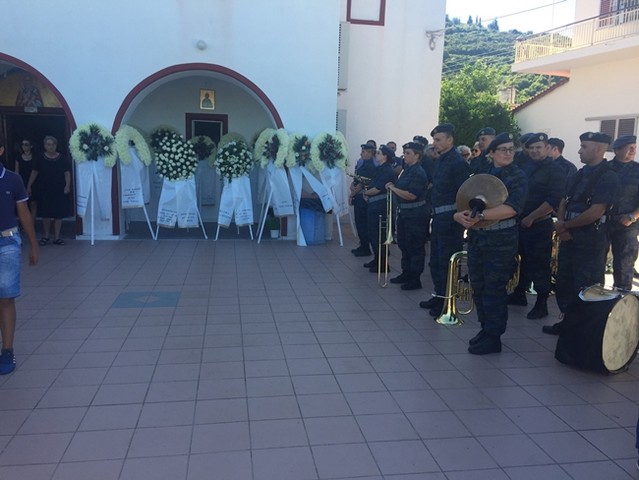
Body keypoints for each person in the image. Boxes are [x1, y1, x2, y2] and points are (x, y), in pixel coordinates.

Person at [454, 132, 528, 354]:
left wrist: (480, 216)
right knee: (478, 286)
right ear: (492, 153)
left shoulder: (517, 176)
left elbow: (512, 208)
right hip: (479, 237)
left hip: (501, 239)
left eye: (511, 149)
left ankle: (494, 337)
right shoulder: (483, 173)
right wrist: (458, 215)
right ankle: (485, 329)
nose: (508, 153)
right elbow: (465, 199)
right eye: (503, 149)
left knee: (494, 289)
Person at [543, 132, 619, 335]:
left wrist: (566, 226)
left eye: (584, 147)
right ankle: (568, 323)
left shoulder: (608, 176)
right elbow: (563, 201)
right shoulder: (579, 174)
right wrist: (562, 226)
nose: (579, 151)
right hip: (569, 237)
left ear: (599, 149)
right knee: (564, 282)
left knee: (587, 285)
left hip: (591, 240)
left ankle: (583, 331)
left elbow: (596, 211)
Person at [508, 133, 565, 319]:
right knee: (522, 261)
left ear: (547, 148)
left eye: (538, 147)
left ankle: (541, 304)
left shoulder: (555, 170)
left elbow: (553, 200)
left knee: (539, 265)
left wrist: (531, 217)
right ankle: (519, 294)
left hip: (539, 224)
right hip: (520, 222)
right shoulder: (524, 165)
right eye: (531, 148)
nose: (534, 151)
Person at [420, 123, 470, 315]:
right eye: (434, 139)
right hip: (439, 217)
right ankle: (439, 295)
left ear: (450, 140)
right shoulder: (441, 160)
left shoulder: (458, 163)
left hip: (451, 219)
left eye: (438, 139)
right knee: (436, 261)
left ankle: (448, 301)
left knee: (447, 261)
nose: (435, 143)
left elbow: (463, 193)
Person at [0, 133, 39, 374]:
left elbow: (23, 213)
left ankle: (7, 350)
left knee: (5, 297)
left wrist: (34, 245)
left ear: (1, 150)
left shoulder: (12, 179)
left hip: (7, 242)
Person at [387, 141, 429, 290]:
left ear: (417, 155)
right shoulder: (408, 170)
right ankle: (406, 273)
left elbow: (411, 195)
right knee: (404, 245)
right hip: (405, 213)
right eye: (404, 153)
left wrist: (393, 188)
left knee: (415, 246)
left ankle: (415, 279)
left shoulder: (418, 172)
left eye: (408, 153)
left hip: (415, 214)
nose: (404, 156)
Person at [607, 135, 639, 291]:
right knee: (595, 263)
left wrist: (632, 216)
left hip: (627, 224)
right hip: (603, 222)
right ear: (616, 150)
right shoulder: (605, 168)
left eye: (635, 147)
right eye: (629, 147)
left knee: (624, 266)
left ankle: (622, 298)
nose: (633, 151)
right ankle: (596, 299)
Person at [27, 136, 72, 246]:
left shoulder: (62, 158)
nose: (50, 146)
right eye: (48, 144)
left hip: (58, 189)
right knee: (45, 214)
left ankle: (57, 237)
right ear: (44, 145)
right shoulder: (40, 158)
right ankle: (46, 236)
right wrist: (29, 185)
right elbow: (34, 172)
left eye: (52, 144)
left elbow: (67, 173)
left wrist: (67, 185)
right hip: (44, 189)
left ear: (56, 145)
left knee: (58, 214)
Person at [363, 145, 397, 272]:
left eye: (378, 153)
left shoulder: (387, 170)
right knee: (374, 234)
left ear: (385, 156)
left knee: (380, 235)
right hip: (375, 206)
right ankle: (377, 259)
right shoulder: (380, 168)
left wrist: (366, 193)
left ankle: (383, 264)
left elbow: (377, 188)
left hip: (381, 206)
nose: (376, 154)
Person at [349, 144, 377, 257]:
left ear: (370, 153)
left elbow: (362, 184)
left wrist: (352, 194)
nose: (361, 153)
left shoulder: (371, 166)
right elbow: (357, 179)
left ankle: (365, 248)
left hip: (363, 197)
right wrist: (352, 185)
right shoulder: (363, 164)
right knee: (359, 223)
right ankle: (362, 245)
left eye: (364, 152)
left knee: (362, 223)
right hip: (358, 196)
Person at [14, 139, 38, 223]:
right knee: (23, 204)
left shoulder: (35, 157)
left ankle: (32, 223)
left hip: (34, 182)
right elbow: (16, 172)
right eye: (23, 144)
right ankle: (25, 224)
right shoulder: (18, 158)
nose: (24, 146)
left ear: (31, 146)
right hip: (22, 182)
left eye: (26, 144)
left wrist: (29, 186)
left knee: (33, 204)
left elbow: (35, 170)